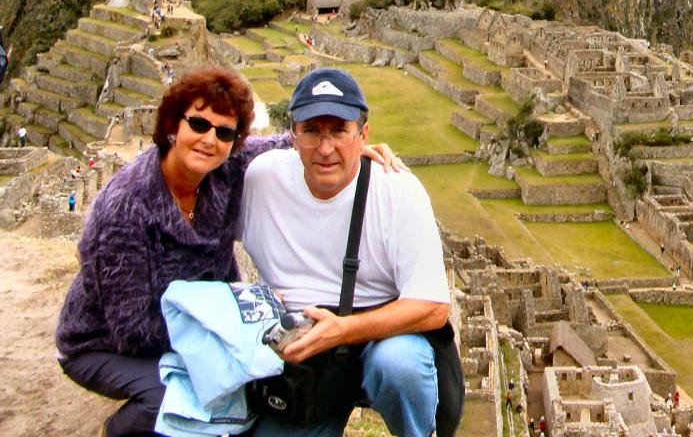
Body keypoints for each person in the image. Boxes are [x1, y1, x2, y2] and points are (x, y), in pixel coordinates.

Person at [56, 66, 399, 437]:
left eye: (223, 132)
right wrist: (234, 321)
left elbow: (284, 143)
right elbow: (133, 330)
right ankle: (118, 430)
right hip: (105, 344)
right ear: (174, 124)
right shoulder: (126, 206)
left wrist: (340, 148)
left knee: (247, 391)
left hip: (198, 321)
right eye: (199, 125)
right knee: (179, 400)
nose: (209, 140)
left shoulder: (226, 168)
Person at [240, 67, 460, 437]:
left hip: (382, 335)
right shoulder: (261, 180)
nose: (326, 149)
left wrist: (343, 331)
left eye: (340, 131)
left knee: (399, 365)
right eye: (312, 131)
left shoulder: (398, 191)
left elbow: (433, 307)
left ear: (363, 135)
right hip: (303, 350)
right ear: (293, 136)